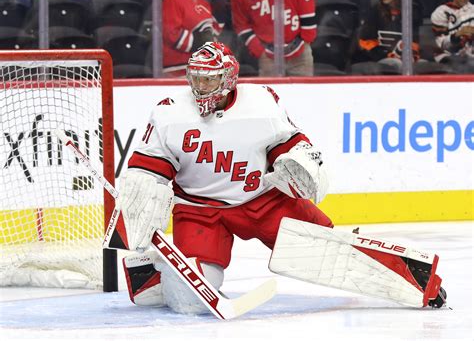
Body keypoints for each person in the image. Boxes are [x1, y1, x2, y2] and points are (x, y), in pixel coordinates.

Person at [116, 42, 447, 315]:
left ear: (228, 79)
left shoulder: (259, 103)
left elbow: (292, 146)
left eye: (208, 80)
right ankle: (157, 272)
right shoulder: (169, 112)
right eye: (196, 78)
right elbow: (150, 167)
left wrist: (299, 166)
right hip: (200, 210)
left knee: (329, 251)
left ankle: (421, 282)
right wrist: (142, 192)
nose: (199, 87)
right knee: (189, 301)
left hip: (262, 200)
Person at [230, 0, 316, 76]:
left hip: (300, 51)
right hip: (267, 54)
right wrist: (259, 50)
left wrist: (306, 40)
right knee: (269, 89)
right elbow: (240, 23)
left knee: (304, 89)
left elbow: (307, 10)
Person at [162, 0, 227, 77]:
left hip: (203, 68)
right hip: (178, 69)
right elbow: (171, 34)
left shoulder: (203, 2)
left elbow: (214, 31)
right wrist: (202, 42)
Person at [356, 0, 422, 73]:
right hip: (379, 59)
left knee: (422, 65)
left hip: (403, 58)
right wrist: (387, 55)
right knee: (396, 64)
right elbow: (365, 42)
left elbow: (415, 41)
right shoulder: (375, 12)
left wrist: (413, 56)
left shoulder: (411, 12)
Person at [430, 0, 474, 72]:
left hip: (470, 56)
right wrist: (457, 34)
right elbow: (442, 45)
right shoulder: (440, 12)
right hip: (448, 56)